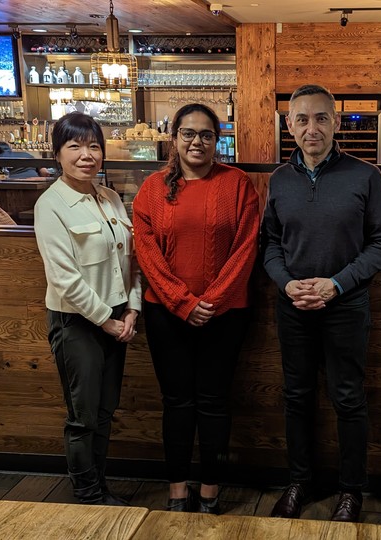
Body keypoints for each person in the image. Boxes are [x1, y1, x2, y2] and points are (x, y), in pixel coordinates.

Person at [262, 84, 381, 523]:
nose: (311, 128)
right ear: (289, 126)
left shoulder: (365, 175)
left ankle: (351, 491)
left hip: (346, 306)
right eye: (302, 119)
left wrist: (338, 284)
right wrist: (286, 285)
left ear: (336, 122)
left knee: (348, 399)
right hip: (293, 307)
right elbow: (271, 245)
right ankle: (300, 482)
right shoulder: (280, 180)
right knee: (297, 397)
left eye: (321, 118)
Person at [133, 103, 260, 514]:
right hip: (166, 314)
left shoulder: (238, 184)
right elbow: (146, 252)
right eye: (188, 133)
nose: (197, 142)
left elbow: (246, 248)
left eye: (207, 134)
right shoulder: (152, 189)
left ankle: (209, 489)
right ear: (174, 138)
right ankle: (176, 489)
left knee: (214, 402)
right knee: (177, 403)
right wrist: (183, 303)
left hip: (225, 314)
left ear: (217, 140)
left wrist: (211, 302)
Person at [33, 112, 141, 506]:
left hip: (117, 318)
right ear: (57, 153)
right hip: (77, 323)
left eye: (93, 146)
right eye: (75, 146)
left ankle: (101, 487)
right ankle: (88, 495)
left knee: (106, 411)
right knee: (83, 416)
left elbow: (131, 260)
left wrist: (132, 309)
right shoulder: (51, 205)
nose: (86, 155)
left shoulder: (110, 197)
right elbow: (64, 279)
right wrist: (108, 322)